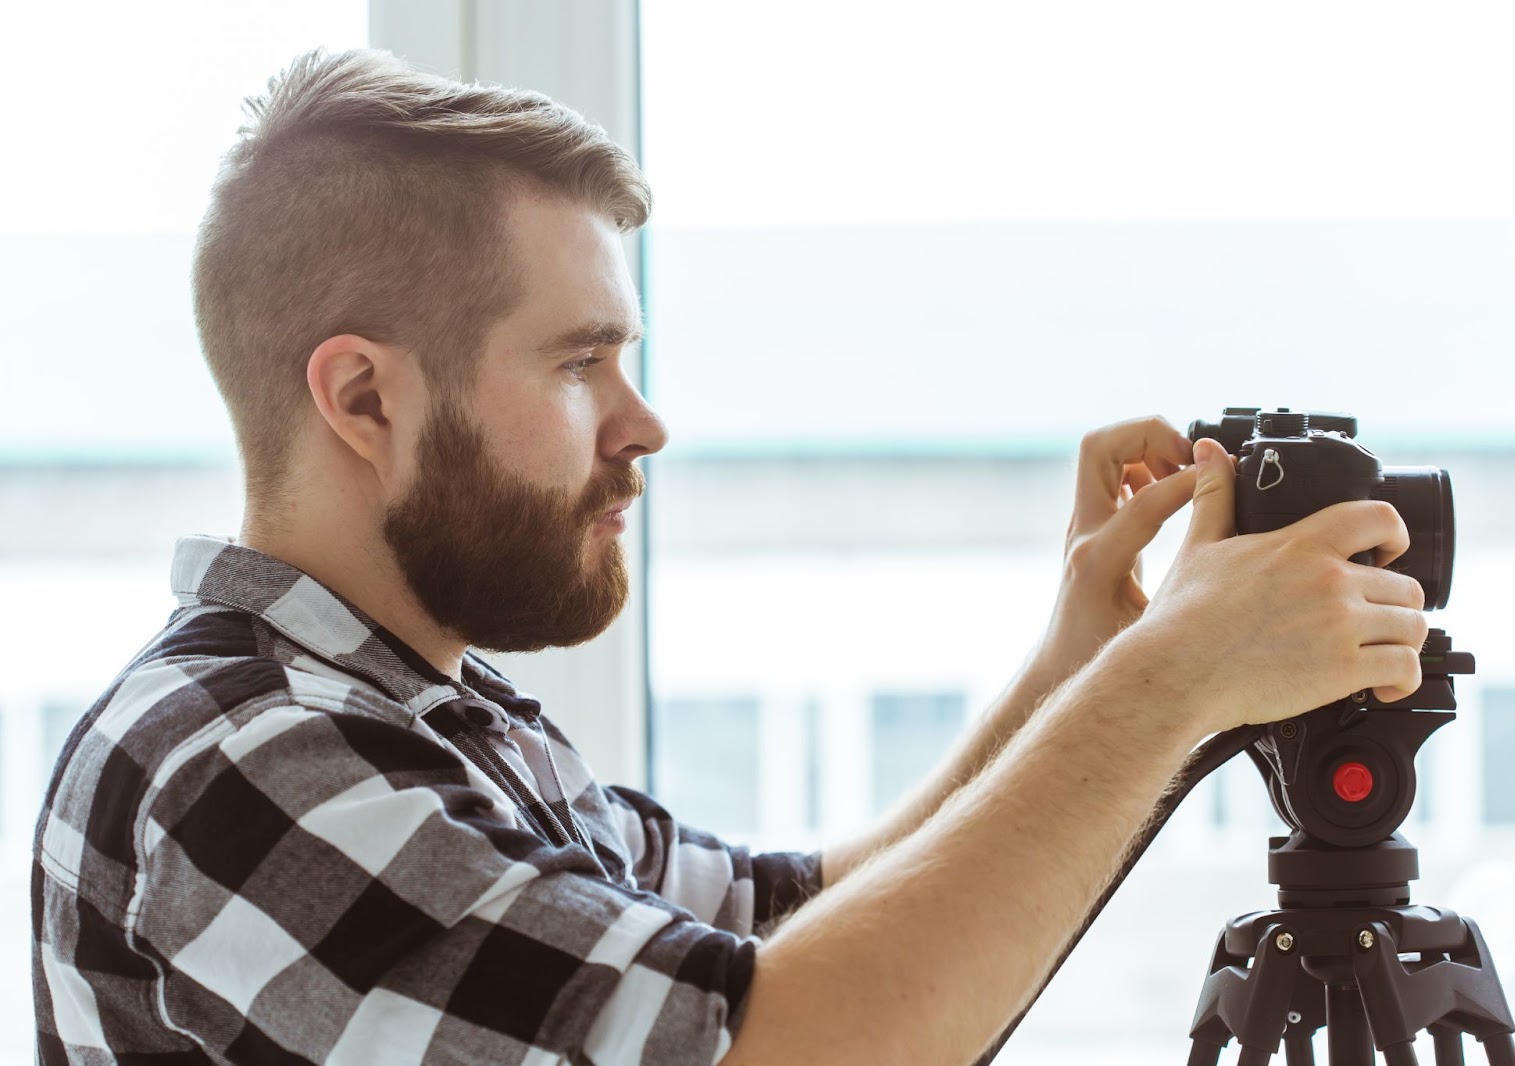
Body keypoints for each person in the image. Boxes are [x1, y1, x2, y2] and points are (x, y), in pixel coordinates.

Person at [31, 48, 1429, 1066]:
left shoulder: (418, 721)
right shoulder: (242, 769)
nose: (643, 424)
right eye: (580, 364)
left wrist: (1091, 660)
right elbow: (772, 1045)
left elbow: (796, 919)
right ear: (365, 399)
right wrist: (1174, 681)